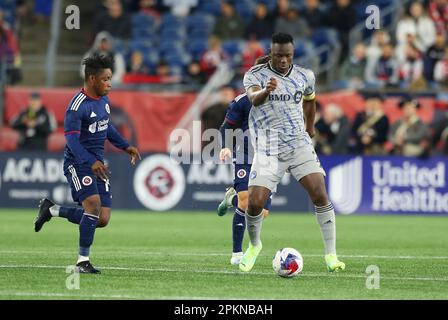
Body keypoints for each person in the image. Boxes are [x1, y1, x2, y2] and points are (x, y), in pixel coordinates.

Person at [238, 33, 345, 273]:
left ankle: (331, 255)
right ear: (271, 53)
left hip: (298, 145)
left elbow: (310, 99)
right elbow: (254, 100)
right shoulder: (255, 75)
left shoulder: (305, 75)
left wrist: (310, 125)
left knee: (319, 194)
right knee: (254, 203)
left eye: (288, 55)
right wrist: (266, 91)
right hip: (268, 147)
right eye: (279, 56)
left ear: (293, 54)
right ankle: (254, 245)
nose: (284, 60)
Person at [33, 54, 141, 274]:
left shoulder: (104, 100)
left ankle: (51, 209)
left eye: (110, 78)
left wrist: (125, 145)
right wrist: (90, 161)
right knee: (92, 205)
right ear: (92, 79)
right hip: (78, 162)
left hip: (96, 163)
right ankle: (82, 262)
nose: (110, 84)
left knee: (102, 219)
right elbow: (71, 140)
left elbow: (106, 127)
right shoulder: (77, 107)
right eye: (106, 79)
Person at [217, 56, 272, 266]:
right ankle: (237, 253)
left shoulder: (282, 101)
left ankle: (229, 199)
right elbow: (227, 126)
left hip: (270, 159)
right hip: (246, 155)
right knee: (246, 201)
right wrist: (225, 146)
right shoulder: (242, 101)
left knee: (260, 212)